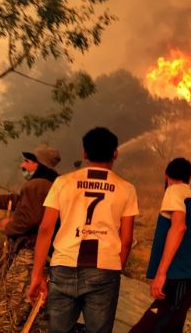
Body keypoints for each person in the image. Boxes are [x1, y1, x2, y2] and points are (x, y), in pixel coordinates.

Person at [27, 127, 139, 333]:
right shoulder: (127, 188)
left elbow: (45, 229)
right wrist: (115, 269)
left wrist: (37, 274)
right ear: (115, 153)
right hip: (104, 270)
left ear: (84, 153)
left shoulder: (62, 182)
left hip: (63, 266)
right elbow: (127, 239)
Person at [0, 145, 60, 332]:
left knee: (12, 308)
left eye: (27, 161)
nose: (22, 166)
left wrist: (8, 226)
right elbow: (16, 201)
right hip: (47, 255)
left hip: (30, 255)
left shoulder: (35, 186)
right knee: (36, 311)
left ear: (38, 164)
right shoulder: (53, 185)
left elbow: (28, 219)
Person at [131, 157, 191, 333]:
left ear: (166, 176)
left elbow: (179, 228)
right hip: (188, 278)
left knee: (146, 329)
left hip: (178, 277)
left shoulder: (173, 191)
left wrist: (161, 274)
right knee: (172, 327)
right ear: (189, 178)